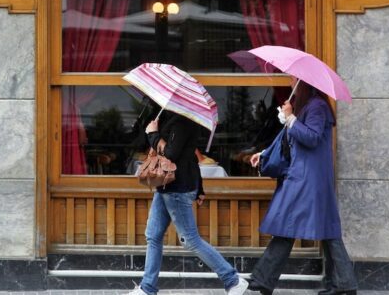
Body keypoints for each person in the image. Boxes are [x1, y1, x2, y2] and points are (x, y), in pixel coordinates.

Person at [247, 77, 357, 295]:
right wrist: (265, 153)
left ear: (306, 83)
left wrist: (291, 119)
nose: (290, 83)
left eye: (294, 79)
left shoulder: (317, 106)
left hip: (306, 179)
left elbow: (312, 137)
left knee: (287, 226)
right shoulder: (309, 105)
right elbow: (288, 139)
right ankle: (344, 284)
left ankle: (262, 280)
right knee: (325, 230)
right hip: (306, 177)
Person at [127, 110, 249, 295]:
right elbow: (190, 157)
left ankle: (233, 280)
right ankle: (147, 288)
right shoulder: (172, 117)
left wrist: (152, 134)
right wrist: (199, 187)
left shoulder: (182, 120)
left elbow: (171, 155)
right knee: (153, 235)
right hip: (166, 187)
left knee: (190, 239)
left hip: (177, 189)